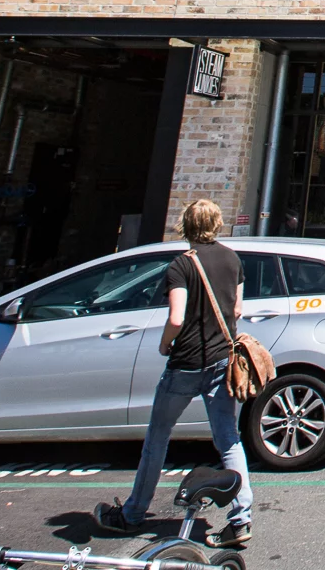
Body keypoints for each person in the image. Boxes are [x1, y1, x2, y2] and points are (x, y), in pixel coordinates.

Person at [96, 199, 254, 548]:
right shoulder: (232, 259)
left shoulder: (182, 265)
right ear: (217, 223)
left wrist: (165, 344)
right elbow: (238, 309)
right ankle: (240, 519)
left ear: (185, 226)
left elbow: (177, 317)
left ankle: (134, 513)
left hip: (185, 364)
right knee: (228, 439)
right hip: (219, 362)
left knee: (157, 438)